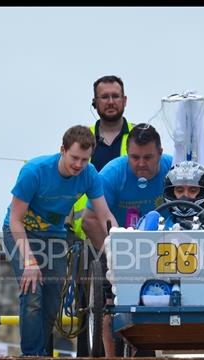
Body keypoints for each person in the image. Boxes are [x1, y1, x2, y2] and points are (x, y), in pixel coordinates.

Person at [2, 125, 117, 356]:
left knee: (53, 298)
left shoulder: (90, 174)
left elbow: (105, 215)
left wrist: (121, 243)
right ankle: (31, 355)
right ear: (62, 150)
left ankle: (42, 351)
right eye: (74, 157)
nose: (78, 165)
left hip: (54, 235)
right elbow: (15, 220)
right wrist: (30, 263)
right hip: (21, 232)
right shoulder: (34, 171)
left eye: (84, 160)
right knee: (32, 290)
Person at [81, 123, 173, 357]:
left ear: (160, 154)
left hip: (164, 248)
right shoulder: (113, 173)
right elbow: (89, 220)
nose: (141, 163)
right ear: (126, 155)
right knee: (109, 290)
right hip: (118, 245)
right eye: (135, 157)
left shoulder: (173, 170)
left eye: (148, 157)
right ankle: (112, 357)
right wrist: (116, 253)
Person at [69, 75, 134, 241]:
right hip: (85, 236)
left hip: (128, 236)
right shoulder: (80, 138)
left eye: (115, 96)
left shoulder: (138, 138)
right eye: (104, 97)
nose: (110, 102)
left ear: (125, 100)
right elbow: (65, 182)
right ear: (95, 102)